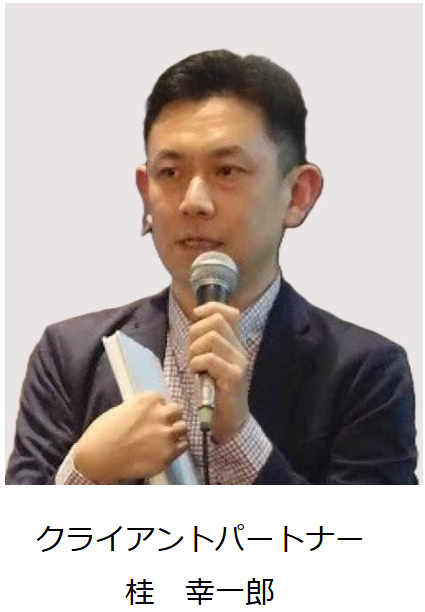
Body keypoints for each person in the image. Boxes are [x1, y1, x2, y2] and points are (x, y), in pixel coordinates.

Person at [6, 50, 417, 485]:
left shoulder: (365, 371)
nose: (193, 201)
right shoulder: (70, 355)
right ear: (145, 193)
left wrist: (240, 436)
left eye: (227, 170)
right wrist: (87, 472)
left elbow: (372, 530)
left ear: (298, 194)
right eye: (170, 173)